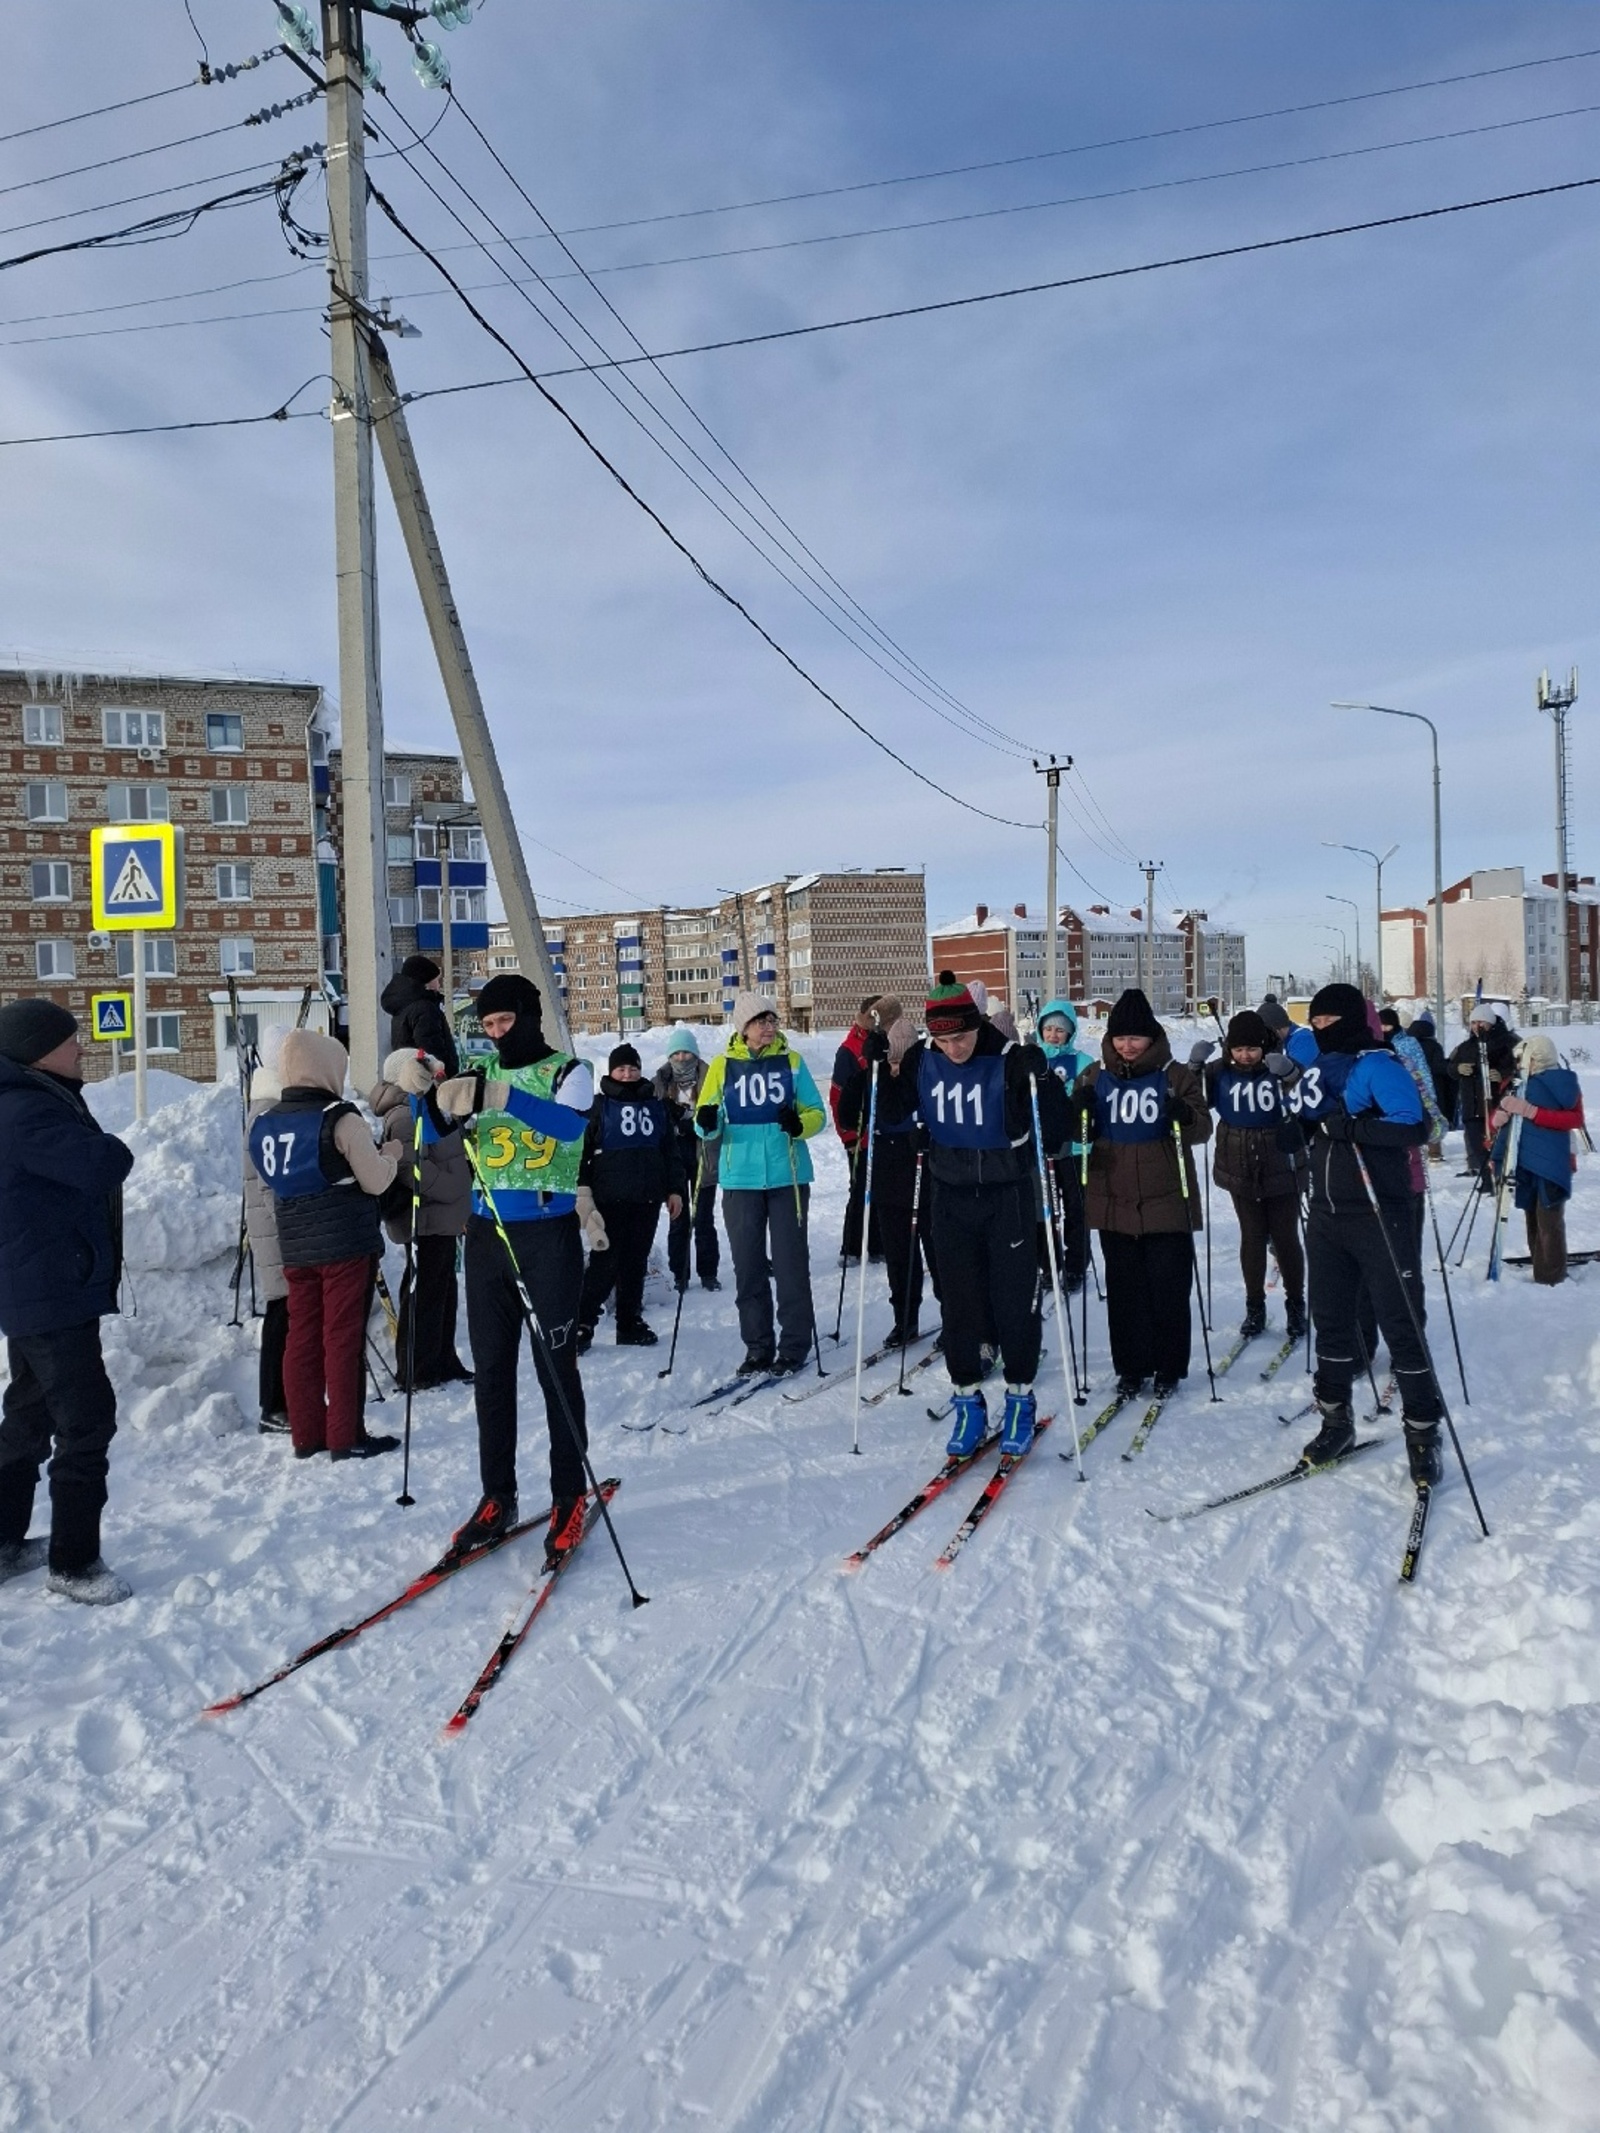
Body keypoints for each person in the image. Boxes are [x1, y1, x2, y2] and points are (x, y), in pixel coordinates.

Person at [429, 973, 598, 1568]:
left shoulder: (567, 1070)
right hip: (486, 1235)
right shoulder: (481, 1072)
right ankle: (496, 1496)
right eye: (489, 1025)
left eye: (505, 1021)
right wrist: (426, 1096)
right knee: (492, 1374)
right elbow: (434, 1133)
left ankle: (569, 1495)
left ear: (529, 1015)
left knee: (556, 1370)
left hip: (546, 1235)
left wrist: (501, 1098)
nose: (498, 1033)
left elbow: (571, 1126)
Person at [873, 974, 1069, 1456]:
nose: (953, 1048)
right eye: (943, 1039)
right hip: (950, 1197)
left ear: (977, 1024)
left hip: (1007, 1198)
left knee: (1013, 1303)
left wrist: (1043, 1079)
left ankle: (1020, 1399)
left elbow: (1056, 1130)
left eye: (960, 1036)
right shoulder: (922, 1058)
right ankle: (967, 1401)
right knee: (959, 1306)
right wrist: (877, 1072)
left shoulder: (1008, 1059)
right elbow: (891, 1113)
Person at [0, 1000, 136, 1605]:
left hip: (38, 1286)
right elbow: (103, 1162)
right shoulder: (27, 1109)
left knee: (29, 1418)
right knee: (86, 1422)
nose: (81, 1048)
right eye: (70, 1039)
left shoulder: (27, 1099)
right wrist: (105, 1142)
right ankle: (74, 1563)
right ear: (37, 1050)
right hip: (49, 1290)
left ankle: (3, 1542)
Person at [1288, 983, 1441, 1482]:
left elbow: (1413, 1128)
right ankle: (1336, 1421)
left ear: (1353, 1021)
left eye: (1329, 1021)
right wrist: (1298, 1131)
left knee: (1400, 1323)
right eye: (1315, 1022)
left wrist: (1351, 1127)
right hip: (1328, 1213)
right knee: (1332, 1323)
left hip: (1379, 1212)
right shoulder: (1322, 1067)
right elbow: (1313, 1120)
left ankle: (1422, 1431)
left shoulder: (1380, 1065)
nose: (1321, 1029)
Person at [248, 1029, 401, 1463]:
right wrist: (391, 1154)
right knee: (342, 1339)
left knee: (301, 1339)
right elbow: (375, 1180)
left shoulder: (265, 1121)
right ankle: (345, 1436)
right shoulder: (340, 1118)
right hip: (345, 1245)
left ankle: (306, 1434)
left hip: (296, 1247)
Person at [1073, 989, 1211, 1401]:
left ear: (1151, 1037)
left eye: (1135, 1037)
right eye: (1120, 1037)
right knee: (1124, 1292)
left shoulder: (1175, 1075)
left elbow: (1203, 1129)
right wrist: (1078, 1110)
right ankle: (1131, 1368)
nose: (1127, 1046)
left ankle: (1168, 1366)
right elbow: (1078, 1134)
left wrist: (1184, 1115)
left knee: (1168, 1289)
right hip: (1113, 1199)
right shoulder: (1094, 1076)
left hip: (1166, 1198)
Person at [695, 993, 826, 1378]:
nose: (769, 1027)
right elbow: (706, 1122)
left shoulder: (792, 1062)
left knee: (790, 1266)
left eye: (772, 1020)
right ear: (744, 1027)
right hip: (740, 1179)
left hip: (787, 1177)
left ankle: (794, 1346)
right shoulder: (722, 1066)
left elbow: (817, 1113)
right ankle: (758, 1347)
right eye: (761, 1021)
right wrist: (706, 1121)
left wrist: (800, 1124)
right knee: (748, 1267)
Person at [371, 1048, 472, 1390]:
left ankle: (443, 1360)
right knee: (424, 1294)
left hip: (442, 1215)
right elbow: (409, 1167)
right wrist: (453, 1187)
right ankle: (417, 1369)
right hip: (426, 1215)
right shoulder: (403, 1113)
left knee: (443, 1290)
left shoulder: (425, 1104)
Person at [1205, 1009, 1308, 1341]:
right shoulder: (1219, 1071)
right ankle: (1255, 1306)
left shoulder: (1278, 1066)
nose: (1245, 1055)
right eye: (1238, 1049)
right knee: (1251, 1236)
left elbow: (1306, 1097)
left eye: (1252, 1048)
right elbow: (1196, 1100)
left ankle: (1296, 1303)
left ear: (1264, 1045)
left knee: (1285, 1236)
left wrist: (1291, 1073)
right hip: (1239, 1164)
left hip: (1281, 1162)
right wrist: (1194, 1068)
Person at [836, 1009, 938, 1346]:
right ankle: (904, 1320)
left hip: (926, 1176)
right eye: (891, 1059)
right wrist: (867, 1071)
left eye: (900, 1059)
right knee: (899, 1258)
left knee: (939, 1256)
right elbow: (848, 1116)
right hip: (887, 1177)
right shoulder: (876, 1077)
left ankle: (955, 1316)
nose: (895, 1066)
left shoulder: (924, 1076)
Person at [577, 1044, 685, 1349]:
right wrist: (582, 1190)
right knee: (605, 1262)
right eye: (621, 1069)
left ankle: (629, 1322)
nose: (628, 1074)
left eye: (633, 1068)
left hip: (646, 1196)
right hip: (608, 1198)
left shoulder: (656, 1106)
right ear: (611, 1071)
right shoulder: (598, 1106)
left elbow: (670, 1152)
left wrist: (675, 1189)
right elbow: (580, 1153)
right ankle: (582, 1322)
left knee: (635, 1263)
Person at [1492, 1034, 1585, 1285]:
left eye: (1524, 1059)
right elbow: (1504, 1114)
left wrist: (1532, 1112)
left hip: (1553, 1160)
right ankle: (1540, 1265)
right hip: (1524, 1159)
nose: (1521, 1064)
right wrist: (1499, 1117)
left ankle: (1551, 1275)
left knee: (1549, 1217)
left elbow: (1574, 1119)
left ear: (1537, 1058)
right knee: (1532, 1214)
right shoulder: (1519, 1083)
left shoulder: (1563, 1084)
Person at [243, 1050, 291, 1432]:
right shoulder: (269, 1112)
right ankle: (274, 1405)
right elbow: (270, 1182)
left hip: (274, 1227)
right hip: (277, 1230)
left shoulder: (264, 1106)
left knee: (284, 1310)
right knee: (282, 1311)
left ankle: (278, 1402)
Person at [653, 1027, 721, 1291]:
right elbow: (654, 1120)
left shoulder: (709, 1076)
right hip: (675, 1160)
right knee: (678, 1220)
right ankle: (679, 1274)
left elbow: (721, 1112)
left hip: (704, 1156)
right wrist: (671, 1121)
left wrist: (697, 1124)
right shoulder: (660, 1082)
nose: (682, 1058)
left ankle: (708, 1273)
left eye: (687, 1053)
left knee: (703, 1218)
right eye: (677, 1053)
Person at [1036, 999, 1091, 1292]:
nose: (1053, 1035)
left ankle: (1076, 1265)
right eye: (1048, 1029)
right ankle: (1048, 1263)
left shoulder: (1082, 1062)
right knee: (1046, 1210)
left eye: (1060, 1030)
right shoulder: (1034, 1060)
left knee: (1076, 1208)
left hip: (1075, 1150)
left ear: (1070, 1032)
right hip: (1043, 1148)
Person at [1379, 1009, 1447, 1243]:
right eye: (1380, 1026)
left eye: (1387, 1026)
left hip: (1412, 1108)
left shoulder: (1407, 1044)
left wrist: (1429, 1102)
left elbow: (1422, 1073)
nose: (1384, 1030)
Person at [831, 995, 883, 1265]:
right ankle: (851, 1247)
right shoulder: (850, 1049)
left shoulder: (886, 1042)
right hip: (860, 1134)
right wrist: (849, 1136)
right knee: (861, 1188)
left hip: (884, 1133)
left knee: (883, 1189)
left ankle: (877, 1243)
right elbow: (838, 1096)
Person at [1447, 1005, 1519, 1183]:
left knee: (1499, 1144)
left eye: (1480, 1022)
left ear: (1490, 1023)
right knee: (1476, 1144)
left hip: (1498, 1104)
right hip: (1472, 1105)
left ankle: (1501, 1178)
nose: (1476, 1026)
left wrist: (1503, 1074)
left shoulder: (1508, 1043)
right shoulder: (1466, 1047)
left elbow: (1519, 1068)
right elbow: (1449, 1066)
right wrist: (1457, 1069)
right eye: (1473, 1023)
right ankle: (1487, 1181)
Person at [381, 954, 460, 1078]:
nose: (439, 985)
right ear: (425, 981)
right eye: (436, 980)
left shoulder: (403, 1006)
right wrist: (445, 1074)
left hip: (410, 1079)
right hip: (429, 1081)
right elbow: (431, 1048)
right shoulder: (424, 1008)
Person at [1407, 1008, 1454, 1139]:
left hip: (1411, 1087)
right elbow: (1438, 1066)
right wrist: (1450, 1064)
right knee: (1433, 1122)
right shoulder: (1434, 1046)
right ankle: (1434, 1146)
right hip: (1432, 1088)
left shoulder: (1408, 1045)